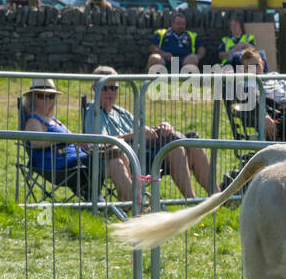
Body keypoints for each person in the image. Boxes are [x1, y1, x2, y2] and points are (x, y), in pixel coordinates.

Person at [82, 65, 218, 200]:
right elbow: (101, 140)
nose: (110, 92)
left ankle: (219, 197)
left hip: (143, 153)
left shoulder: (120, 112)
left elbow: (143, 130)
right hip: (126, 157)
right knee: (176, 149)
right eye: (105, 88)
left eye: (114, 88)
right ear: (95, 89)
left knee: (191, 147)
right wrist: (134, 135)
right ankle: (192, 202)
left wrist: (162, 127)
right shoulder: (94, 113)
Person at [19, 79, 130, 200]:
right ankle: (135, 204)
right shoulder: (33, 119)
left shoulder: (53, 120)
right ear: (32, 98)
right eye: (42, 96)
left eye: (51, 96)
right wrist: (64, 139)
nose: (47, 100)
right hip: (64, 167)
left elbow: (74, 139)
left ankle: (128, 201)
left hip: (79, 161)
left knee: (119, 154)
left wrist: (85, 143)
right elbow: (36, 141)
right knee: (115, 161)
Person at [237, 47, 286, 142]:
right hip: (284, 113)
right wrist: (265, 116)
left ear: (262, 64)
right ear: (244, 70)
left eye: (256, 65)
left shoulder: (275, 76)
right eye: (249, 68)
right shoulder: (248, 83)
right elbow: (253, 100)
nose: (254, 70)